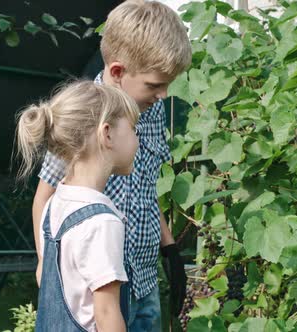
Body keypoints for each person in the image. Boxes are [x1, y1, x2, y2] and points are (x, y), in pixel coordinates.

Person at [30, 1, 192, 330]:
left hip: (143, 280)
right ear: (118, 72)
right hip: (99, 291)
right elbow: (44, 196)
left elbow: (145, 186)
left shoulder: (151, 109)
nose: (163, 95)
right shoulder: (84, 113)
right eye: (154, 85)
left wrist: (169, 246)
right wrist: (46, 264)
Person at [15, 80, 141, 331]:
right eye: (133, 129)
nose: (137, 139)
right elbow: (106, 313)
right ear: (107, 134)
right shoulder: (101, 222)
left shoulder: (56, 203)